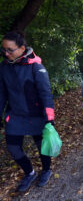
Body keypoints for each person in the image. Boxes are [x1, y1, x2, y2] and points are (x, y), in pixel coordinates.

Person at [0, 31, 55, 192]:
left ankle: (46, 170)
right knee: (13, 148)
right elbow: (2, 93)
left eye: (10, 50)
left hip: (36, 116)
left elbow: (46, 94)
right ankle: (30, 173)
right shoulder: (4, 67)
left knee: (42, 147)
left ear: (22, 48)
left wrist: (49, 120)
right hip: (15, 116)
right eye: (4, 49)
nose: (6, 53)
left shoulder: (36, 67)